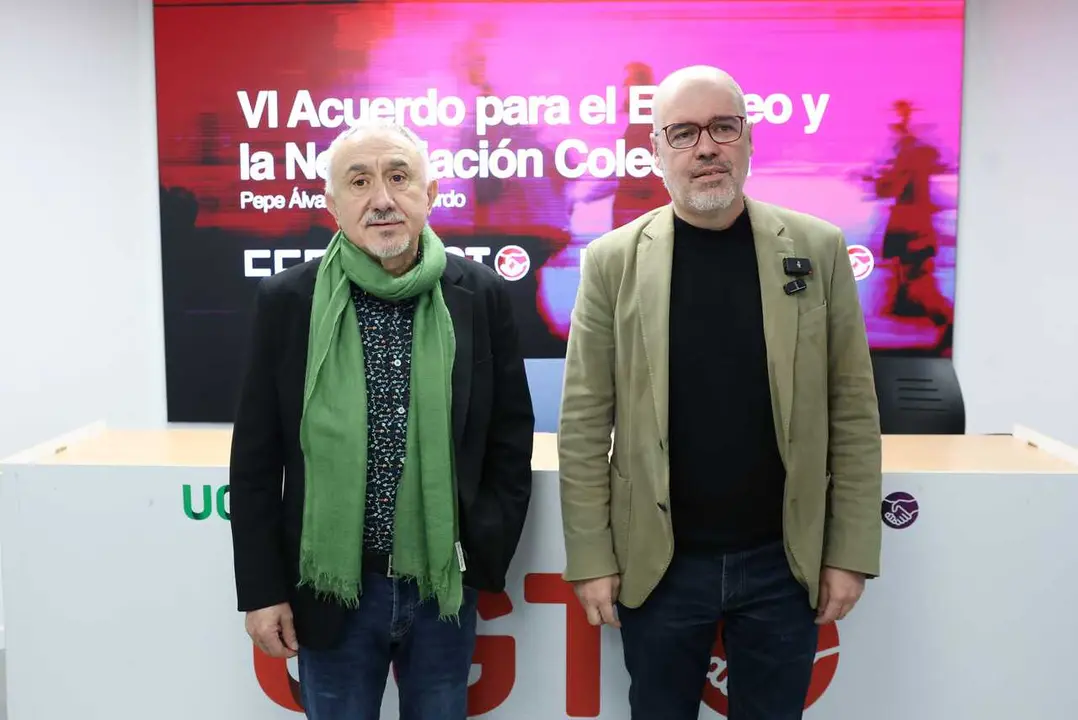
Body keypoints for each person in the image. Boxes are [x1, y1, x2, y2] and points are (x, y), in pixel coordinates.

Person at [558, 65, 882, 719]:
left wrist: (848, 552)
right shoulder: (612, 262)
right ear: (656, 153)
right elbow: (585, 421)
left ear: (748, 139)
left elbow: (852, 408)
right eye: (683, 132)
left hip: (782, 562)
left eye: (722, 127)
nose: (705, 148)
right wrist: (591, 557)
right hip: (661, 566)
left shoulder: (816, 250)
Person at [228, 119, 535, 719]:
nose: (382, 199)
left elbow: (508, 436)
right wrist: (263, 592)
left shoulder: (481, 294)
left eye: (399, 177)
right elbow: (256, 462)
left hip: (441, 588)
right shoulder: (289, 303)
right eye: (360, 181)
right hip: (332, 589)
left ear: (432, 192)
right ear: (332, 204)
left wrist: (480, 552)